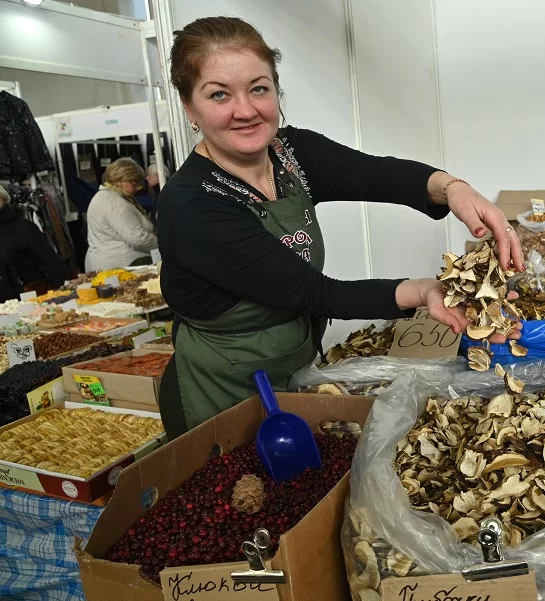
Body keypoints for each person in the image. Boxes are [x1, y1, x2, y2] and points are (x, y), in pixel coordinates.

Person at [157, 16, 524, 439]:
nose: (245, 110)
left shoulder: (290, 154)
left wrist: (455, 189)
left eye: (259, 88)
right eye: (219, 94)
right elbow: (318, 293)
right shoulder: (192, 206)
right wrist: (425, 291)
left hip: (292, 371)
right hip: (221, 393)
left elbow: (376, 174)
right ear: (190, 107)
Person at [85, 158, 158, 271]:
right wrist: (165, 244)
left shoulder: (104, 197)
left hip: (108, 264)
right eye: (134, 182)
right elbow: (137, 238)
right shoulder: (116, 203)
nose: (138, 187)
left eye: (139, 183)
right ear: (119, 179)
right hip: (122, 266)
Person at [0, 184, 68, 302]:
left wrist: (61, 297)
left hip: (33, 299)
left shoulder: (23, 227)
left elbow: (51, 262)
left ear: (4, 198)